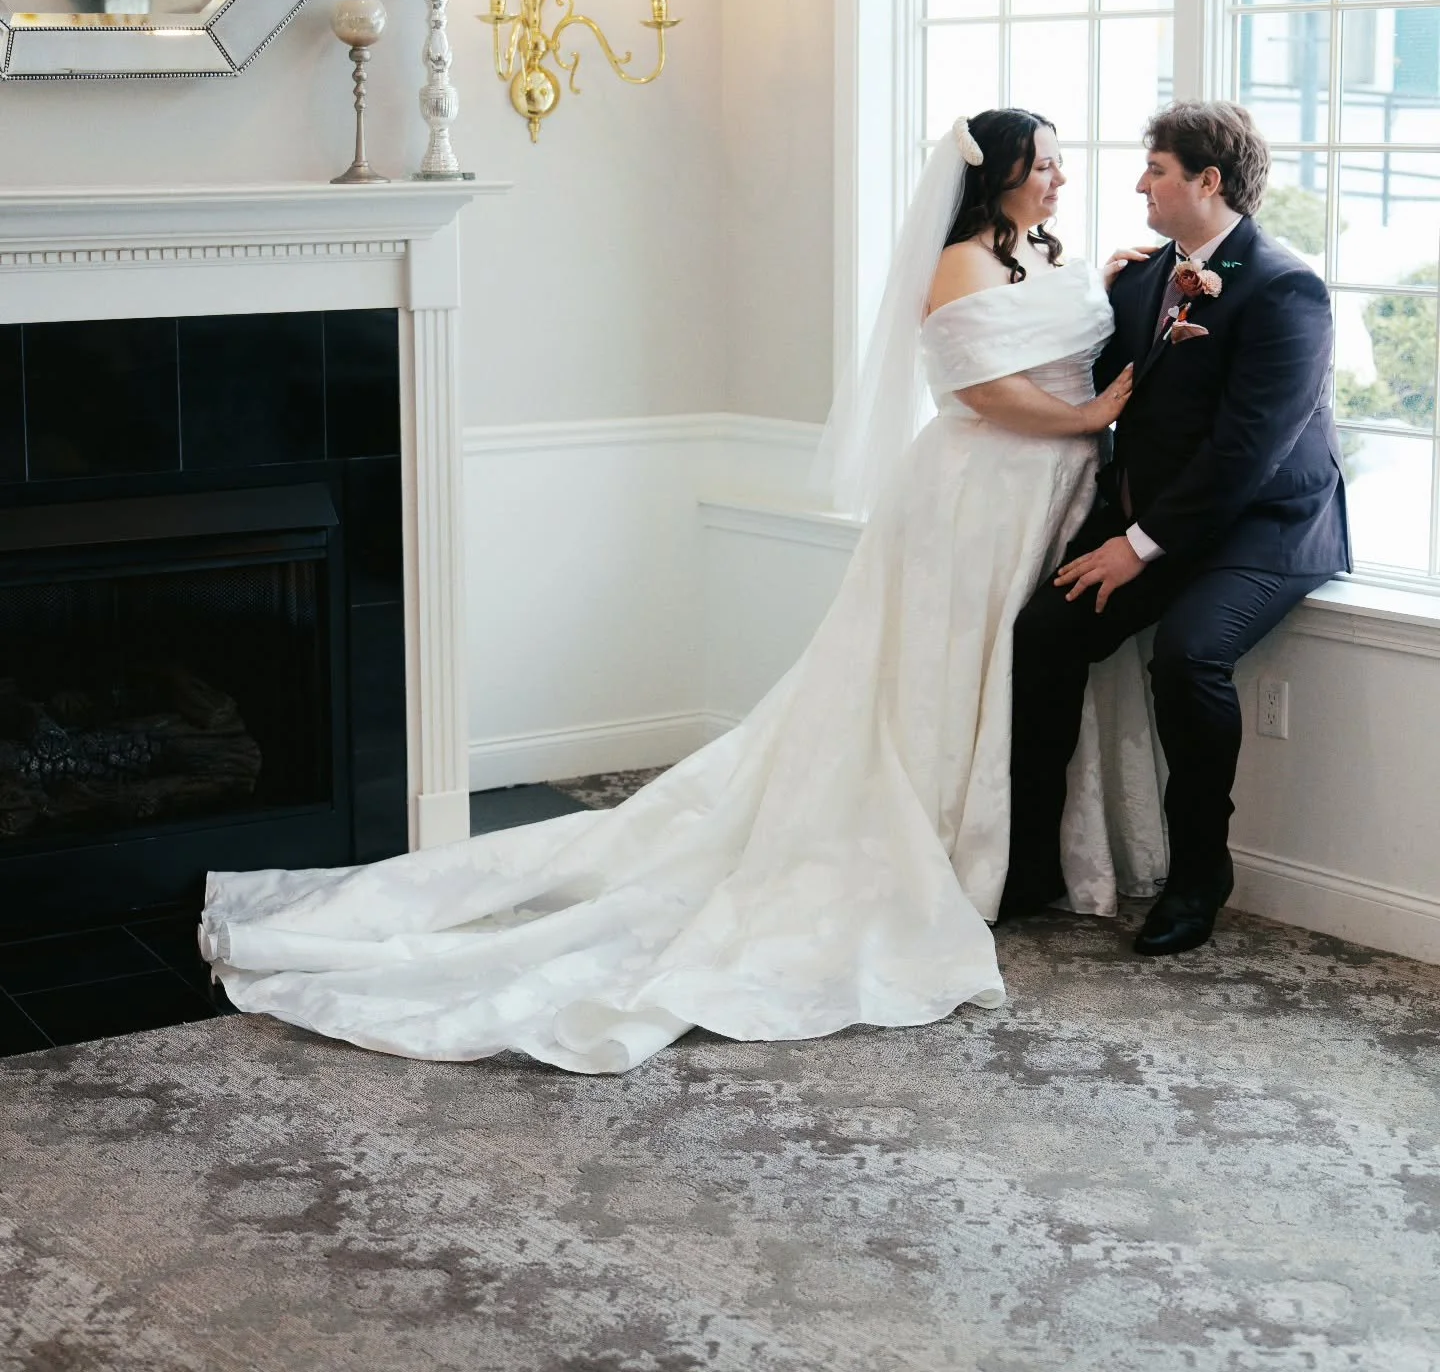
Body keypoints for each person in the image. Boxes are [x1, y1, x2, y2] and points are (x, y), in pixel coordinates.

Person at [200, 109, 1163, 1074]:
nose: (1059, 179)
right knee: (944, 670)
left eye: (1058, 164)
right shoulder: (959, 264)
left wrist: (1109, 291)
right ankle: (947, 841)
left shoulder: (1045, 253)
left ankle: (1009, 843)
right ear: (996, 175)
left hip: (1044, 490)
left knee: (1011, 668)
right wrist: (1091, 415)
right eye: (1042, 166)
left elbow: (1058, 336)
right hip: (975, 497)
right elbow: (984, 390)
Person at [1002, 102, 1351, 956]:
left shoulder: (1287, 288)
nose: (1139, 185)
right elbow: (1099, 384)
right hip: (1159, 514)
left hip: (1266, 527)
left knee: (1188, 656)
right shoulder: (1143, 277)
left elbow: (1247, 453)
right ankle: (1029, 862)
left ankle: (1199, 878)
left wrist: (1136, 547)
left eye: (1155, 170)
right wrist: (1091, 292)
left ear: (1208, 181)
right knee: (1043, 630)